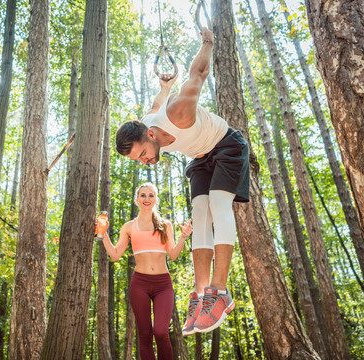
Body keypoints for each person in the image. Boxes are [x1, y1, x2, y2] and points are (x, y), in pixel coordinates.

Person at [114, 27, 250, 336]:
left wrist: (208, 42)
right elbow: (156, 102)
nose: (145, 161)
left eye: (143, 154)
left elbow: (199, 72)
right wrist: (164, 85)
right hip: (200, 157)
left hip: (226, 144)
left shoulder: (179, 112)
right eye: (138, 160)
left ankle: (220, 291)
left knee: (217, 203)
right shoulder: (147, 124)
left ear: (150, 135)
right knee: (200, 211)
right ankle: (203, 298)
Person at [97, 183, 192, 360]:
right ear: (137, 199)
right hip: (139, 284)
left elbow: (172, 255)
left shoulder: (165, 225)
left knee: (161, 331)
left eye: (150, 195)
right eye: (143, 195)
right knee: (145, 335)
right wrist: (103, 234)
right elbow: (116, 255)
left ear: (155, 199)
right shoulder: (128, 227)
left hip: (163, 284)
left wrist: (184, 237)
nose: (147, 199)